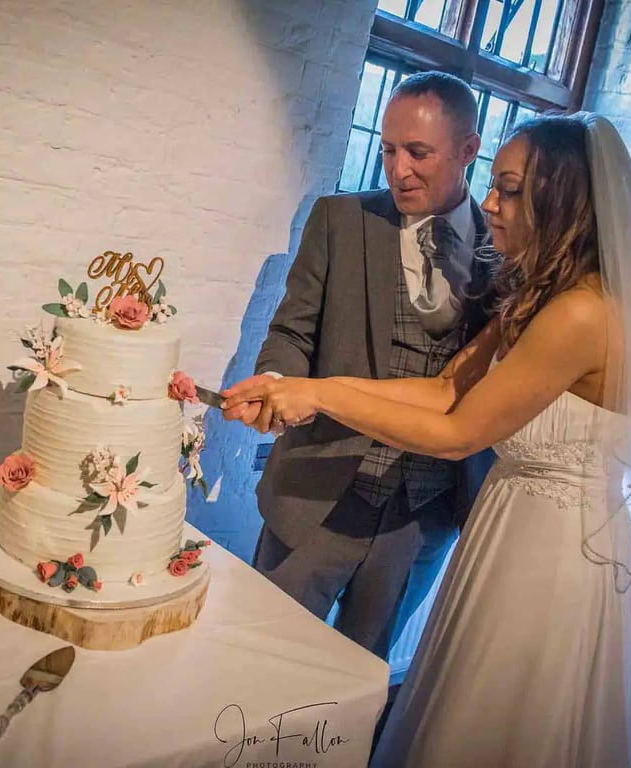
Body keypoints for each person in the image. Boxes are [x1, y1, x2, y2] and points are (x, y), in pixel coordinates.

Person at [222, 112, 631, 767]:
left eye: (509, 190)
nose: (490, 204)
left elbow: (458, 432)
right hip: (503, 528)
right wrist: (306, 386)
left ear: (562, 199)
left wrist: (320, 396)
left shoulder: (581, 313)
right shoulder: (547, 297)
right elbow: (446, 388)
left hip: (548, 555)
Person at [222, 71, 497, 659]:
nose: (399, 170)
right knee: (257, 661)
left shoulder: (503, 258)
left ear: (469, 149)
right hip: (316, 495)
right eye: (389, 150)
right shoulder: (340, 220)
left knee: (359, 679)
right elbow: (292, 331)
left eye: (418, 152)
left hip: (422, 518)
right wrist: (276, 384)